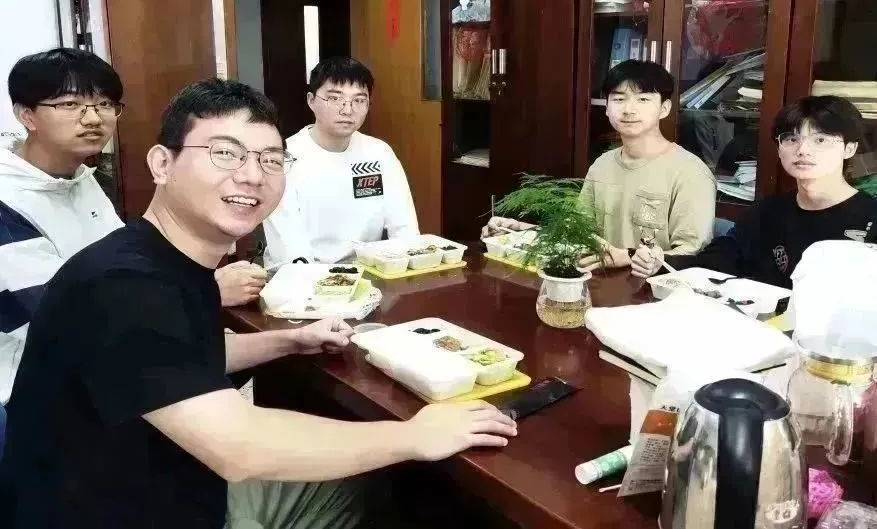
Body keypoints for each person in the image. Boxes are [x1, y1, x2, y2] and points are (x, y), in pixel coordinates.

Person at [0, 78, 516, 529]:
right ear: (162, 163)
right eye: (225, 153)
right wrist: (415, 436)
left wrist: (288, 341)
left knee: (387, 482)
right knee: (408, 486)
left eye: (270, 159)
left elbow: (175, 361)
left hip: (171, 485)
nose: (252, 175)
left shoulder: (161, 259)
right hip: (122, 513)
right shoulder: (123, 285)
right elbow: (239, 447)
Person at [0, 49, 267, 403]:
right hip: (35, 389)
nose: (93, 118)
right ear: (26, 115)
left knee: (259, 357)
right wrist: (208, 290)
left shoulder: (80, 179)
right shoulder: (7, 200)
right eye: (70, 105)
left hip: (105, 362)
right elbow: (65, 318)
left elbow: (126, 269)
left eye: (104, 104)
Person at [483, 60, 716, 274]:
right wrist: (520, 230)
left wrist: (627, 256)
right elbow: (578, 232)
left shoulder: (690, 173)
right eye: (619, 99)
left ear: (664, 108)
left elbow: (692, 257)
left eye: (643, 99)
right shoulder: (602, 165)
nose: (629, 109)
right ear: (606, 107)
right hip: (599, 283)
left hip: (654, 294)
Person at [630, 95, 877, 286]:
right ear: (779, 148)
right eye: (791, 139)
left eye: (820, 140)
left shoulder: (871, 218)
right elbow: (717, 260)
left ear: (850, 149)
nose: (803, 150)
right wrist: (661, 262)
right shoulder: (768, 211)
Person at [264, 57, 419, 265]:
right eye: (335, 98)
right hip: (301, 274)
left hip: (367, 270)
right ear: (311, 100)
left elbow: (404, 228)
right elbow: (289, 247)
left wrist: (405, 268)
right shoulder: (285, 157)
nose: (347, 110)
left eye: (359, 100)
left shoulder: (379, 153)